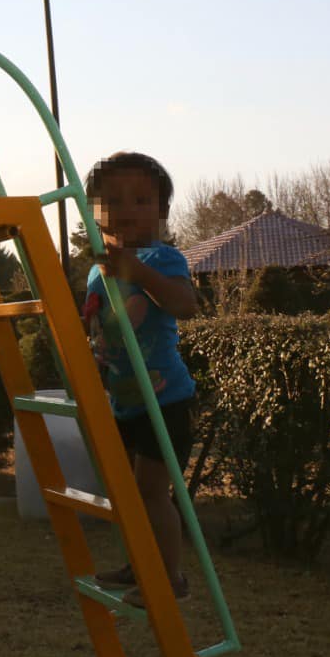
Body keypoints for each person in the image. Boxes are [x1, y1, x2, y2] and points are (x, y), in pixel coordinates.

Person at [81, 152, 199, 607]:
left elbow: (184, 304)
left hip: (165, 399)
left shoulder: (163, 257)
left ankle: (170, 581)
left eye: (142, 199)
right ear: (93, 213)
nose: (127, 209)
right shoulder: (96, 268)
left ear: (162, 211)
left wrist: (136, 270)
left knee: (152, 491)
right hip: (125, 400)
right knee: (128, 494)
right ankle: (139, 564)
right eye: (111, 200)